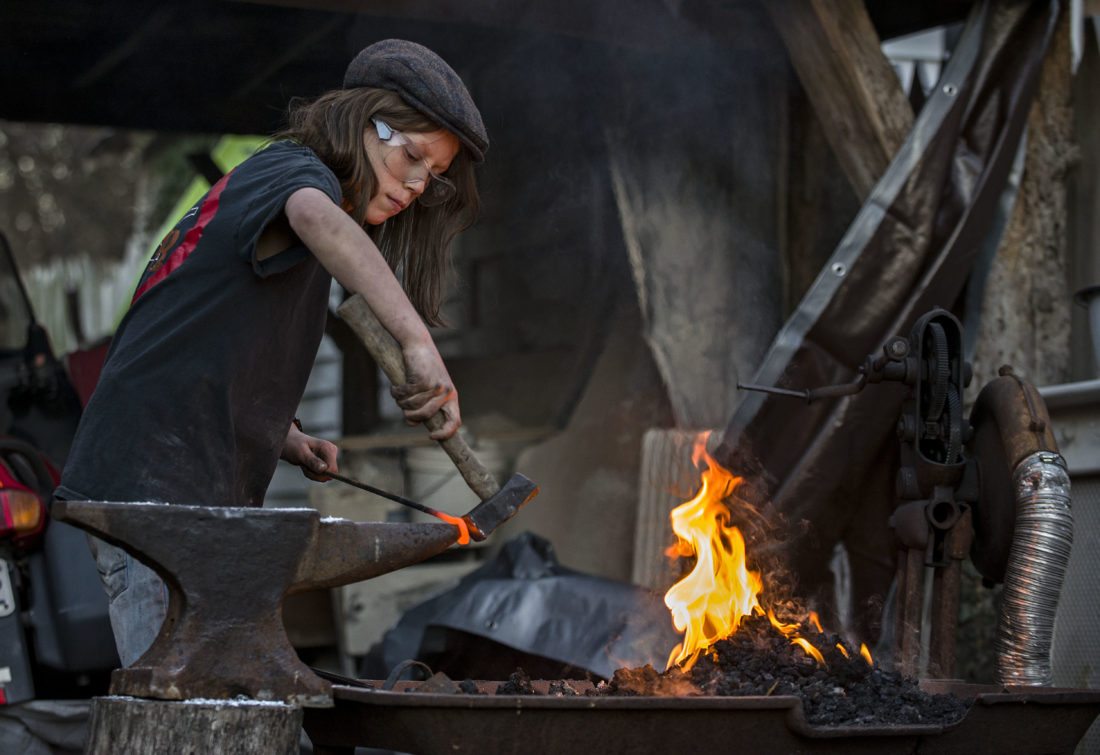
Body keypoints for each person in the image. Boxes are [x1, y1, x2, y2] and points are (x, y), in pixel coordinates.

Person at [55, 39, 488, 666]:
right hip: (151, 493)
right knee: (185, 706)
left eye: (434, 176)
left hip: (187, 497)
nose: (418, 184)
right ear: (364, 124)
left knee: (223, 699)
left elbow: (210, 337)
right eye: (412, 156)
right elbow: (316, 215)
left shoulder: (279, 210)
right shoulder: (295, 175)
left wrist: (284, 435)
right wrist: (417, 342)